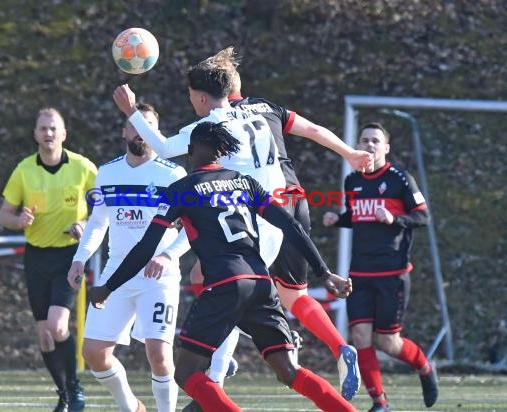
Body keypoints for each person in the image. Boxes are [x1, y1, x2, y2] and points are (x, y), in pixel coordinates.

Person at [89, 121, 357, 412]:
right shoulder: (245, 182)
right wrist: (323, 271)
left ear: (191, 151)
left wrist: (108, 286)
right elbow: (291, 225)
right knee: (288, 370)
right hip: (261, 283)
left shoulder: (183, 189)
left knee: (187, 372)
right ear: (222, 152)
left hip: (225, 285)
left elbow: (145, 247)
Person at [184, 47, 373, 407]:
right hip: (295, 203)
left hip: (259, 209)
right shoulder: (266, 107)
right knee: (292, 295)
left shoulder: (219, 121)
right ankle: (339, 345)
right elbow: (314, 129)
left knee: (214, 279)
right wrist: (349, 153)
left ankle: (217, 372)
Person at [66, 103, 189, 412]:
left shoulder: (173, 174)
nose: (140, 131)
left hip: (157, 277)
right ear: (124, 131)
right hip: (115, 274)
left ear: (157, 132)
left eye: (147, 125)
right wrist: (80, 258)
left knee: (159, 355)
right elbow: (97, 223)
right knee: (94, 352)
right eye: (135, 124)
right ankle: (131, 407)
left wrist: (169, 256)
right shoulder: (107, 172)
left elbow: (192, 228)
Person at [322, 122, 438, 412]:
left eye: (375, 140)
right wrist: (339, 220)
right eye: (365, 140)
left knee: (388, 343)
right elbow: (357, 217)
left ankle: (424, 367)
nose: (369, 145)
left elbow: (423, 218)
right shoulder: (352, 181)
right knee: (360, 336)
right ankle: (380, 402)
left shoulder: (400, 179)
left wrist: (394, 219)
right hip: (360, 272)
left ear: (386, 148)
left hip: (392, 274)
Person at [0, 107, 97, 412]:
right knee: (44, 336)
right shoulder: (24, 170)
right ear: (35, 134)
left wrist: (86, 222)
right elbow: (4, 215)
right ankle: (64, 393)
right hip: (37, 257)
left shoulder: (83, 168)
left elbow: (104, 208)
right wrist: (19, 221)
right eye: (43, 128)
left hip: (70, 255)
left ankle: (75, 388)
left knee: (57, 325)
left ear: (64, 134)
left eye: (54, 128)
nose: (48, 133)